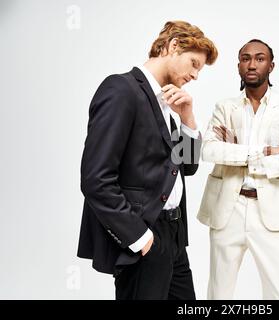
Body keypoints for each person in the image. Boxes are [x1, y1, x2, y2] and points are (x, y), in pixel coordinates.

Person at [77, 21, 218, 300]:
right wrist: (140, 238)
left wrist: (188, 118)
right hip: (144, 234)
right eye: (194, 64)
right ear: (173, 46)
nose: (195, 75)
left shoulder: (167, 102)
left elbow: (187, 166)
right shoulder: (121, 90)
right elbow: (95, 179)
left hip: (175, 237)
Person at [198, 39, 279, 299]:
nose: (252, 64)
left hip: (272, 213)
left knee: (278, 293)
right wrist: (259, 153)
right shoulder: (224, 108)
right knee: (219, 293)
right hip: (228, 208)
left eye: (259, 59)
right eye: (245, 58)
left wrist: (236, 153)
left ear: (271, 66)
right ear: (238, 66)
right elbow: (209, 150)